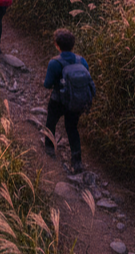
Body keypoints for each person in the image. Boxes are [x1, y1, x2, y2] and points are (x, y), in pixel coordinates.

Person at [43, 28, 95, 174]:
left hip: (58, 101)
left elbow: (47, 84)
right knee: (72, 128)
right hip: (76, 102)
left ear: (57, 45)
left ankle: (49, 148)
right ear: (73, 44)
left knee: (51, 122)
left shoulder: (55, 63)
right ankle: (77, 161)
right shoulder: (81, 60)